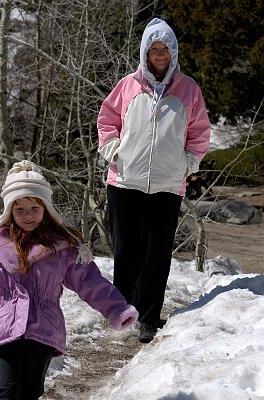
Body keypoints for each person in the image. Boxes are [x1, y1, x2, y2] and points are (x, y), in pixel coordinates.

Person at [0, 160, 139, 400]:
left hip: (45, 327)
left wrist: (117, 309)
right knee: (8, 388)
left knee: (31, 390)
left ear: (46, 208)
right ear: (9, 210)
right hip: (8, 327)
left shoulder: (63, 247)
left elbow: (90, 282)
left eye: (34, 208)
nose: (28, 215)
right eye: (19, 209)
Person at [97, 18, 210, 343]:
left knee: (156, 254)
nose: (160, 54)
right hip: (125, 181)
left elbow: (200, 132)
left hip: (167, 185)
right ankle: (122, 312)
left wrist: (188, 163)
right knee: (126, 249)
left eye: (165, 49)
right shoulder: (128, 85)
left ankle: (148, 318)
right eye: (154, 49)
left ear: (173, 52)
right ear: (145, 53)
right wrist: (113, 151)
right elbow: (106, 120)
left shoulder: (189, 90)